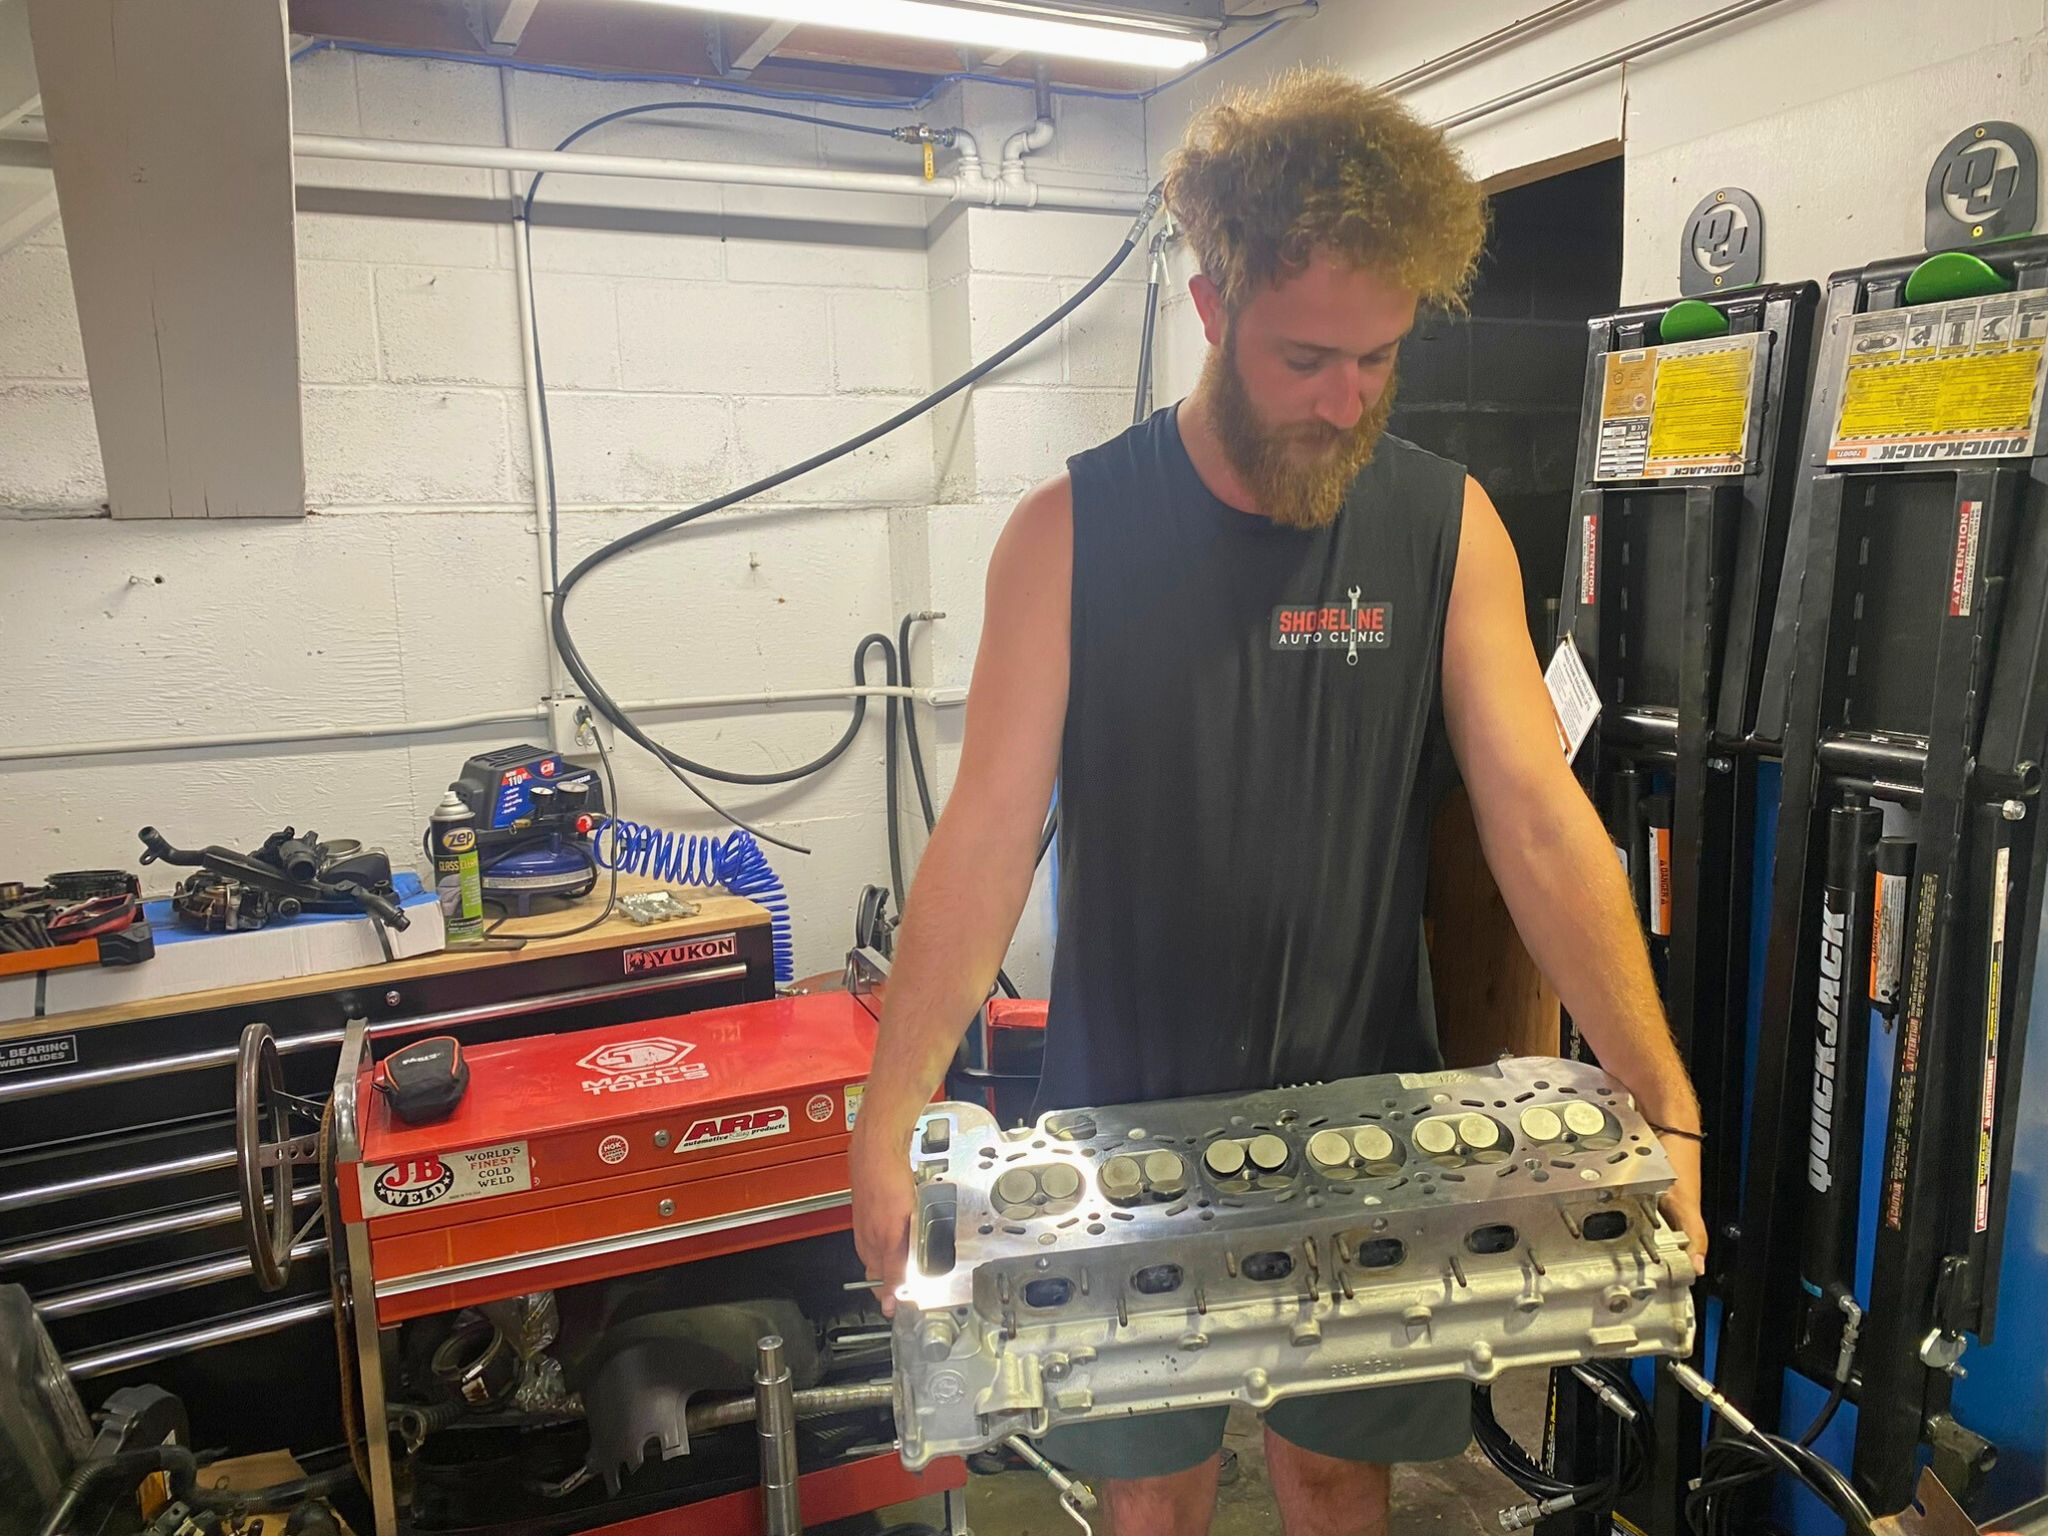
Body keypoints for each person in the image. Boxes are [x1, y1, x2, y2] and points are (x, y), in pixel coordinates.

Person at [849, 68, 1706, 1536]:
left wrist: (1662, 1088)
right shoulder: (1069, 536)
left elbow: (1538, 821)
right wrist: (890, 1112)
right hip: (1124, 1121)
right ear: (1209, 310)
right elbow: (987, 838)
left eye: (1380, 357)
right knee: (1157, 1492)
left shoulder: (1443, 524)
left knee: (1331, 1474)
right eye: (1310, 356)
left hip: (1365, 1097)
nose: (1348, 397)